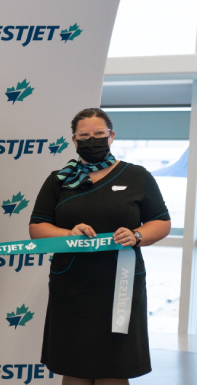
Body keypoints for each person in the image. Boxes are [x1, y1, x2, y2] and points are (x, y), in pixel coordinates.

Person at [29, 108, 171, 385]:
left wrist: (137, 235)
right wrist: (68, 233)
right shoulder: (59, 179)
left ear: (111, 136)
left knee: (115, 368)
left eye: (98, 134)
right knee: (74, 366)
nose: (91, 139)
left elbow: (161, 222)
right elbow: (37, 228)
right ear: (74, 140)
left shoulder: (137, 176)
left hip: (120, 285)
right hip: (71, 286)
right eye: (84, 135)